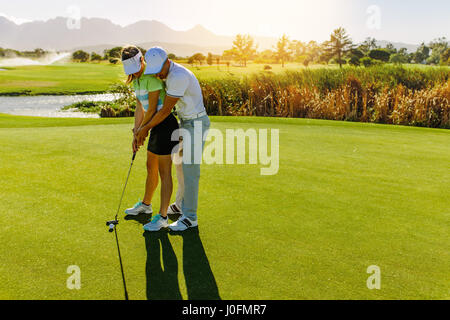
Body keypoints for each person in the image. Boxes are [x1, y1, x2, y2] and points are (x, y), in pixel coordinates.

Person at [135, 47, 210, 232]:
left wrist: (144, 129)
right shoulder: (166, 73)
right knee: (179, 167)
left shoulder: (177, 76)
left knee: (190, 171)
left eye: (159, 70)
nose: (158, 75)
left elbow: (165, 110)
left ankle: (190, 217)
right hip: (185, 122)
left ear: (167, 62)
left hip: (196, 124)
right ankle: (178, 206)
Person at [120, 45, 179, 232]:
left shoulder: (151, 78)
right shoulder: (136, 80)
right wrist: (136, 130)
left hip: (165, 125)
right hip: (152, 126)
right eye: (131, 71)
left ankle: (162, 217)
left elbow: (153, 109)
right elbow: (140, 107)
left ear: (141, 61)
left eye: (136, 68)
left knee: (164, 171)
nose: (135, 73)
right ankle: (146, 204)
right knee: (150, 167)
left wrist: (142, 131)